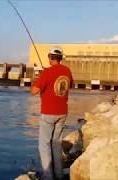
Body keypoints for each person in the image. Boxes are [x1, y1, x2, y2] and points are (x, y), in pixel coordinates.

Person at [30, 46, 73, 180]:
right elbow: (68, 85)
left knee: (44, 144)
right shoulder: (67, 71)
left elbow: (34, 91)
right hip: (62, 112)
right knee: (56, 143)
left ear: (50, 57)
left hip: (48, 113)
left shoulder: (46, 72)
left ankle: (48, 176)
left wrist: (39, 78)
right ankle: (59, 174)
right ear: (60, 58)